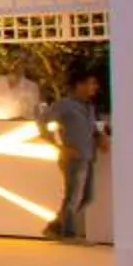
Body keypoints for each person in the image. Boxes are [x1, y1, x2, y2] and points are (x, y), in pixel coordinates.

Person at [43, 70, 101, 241]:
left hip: (88, 155)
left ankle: (56, 226)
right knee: (74, 196)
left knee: (87, 196)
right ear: (79, 85)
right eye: (91, 83)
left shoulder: (89, 106)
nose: (94, 87)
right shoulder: (65, 105)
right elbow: (43, 122)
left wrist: (99, 136)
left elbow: (91, 128)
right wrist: (60, 145)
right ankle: (68, 233)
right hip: (74, 157)